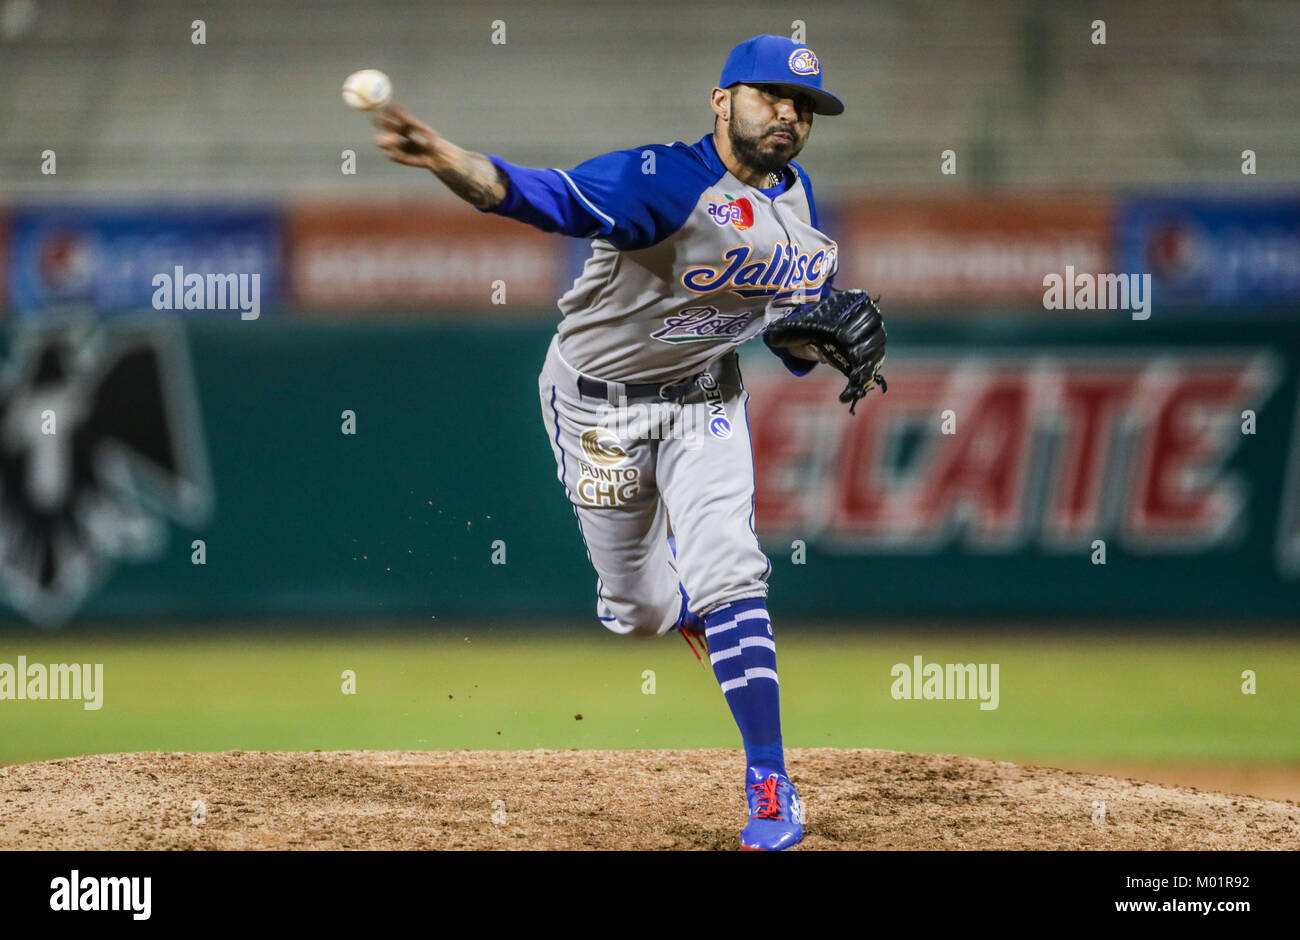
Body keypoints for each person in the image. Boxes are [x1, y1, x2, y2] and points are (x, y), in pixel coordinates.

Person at [375, 34, 849, 851]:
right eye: (769, 94)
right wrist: (448, 158)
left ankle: (770, 783)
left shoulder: (799, 198)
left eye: (802, 104)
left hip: (707, 402)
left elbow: (788, 342)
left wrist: (817, 344)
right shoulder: (660, 182)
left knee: (731, 565)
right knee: (634, 611)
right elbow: (542, 197)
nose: (787, 113)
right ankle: (682, 605)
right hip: (598, 410)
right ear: (721, 100)